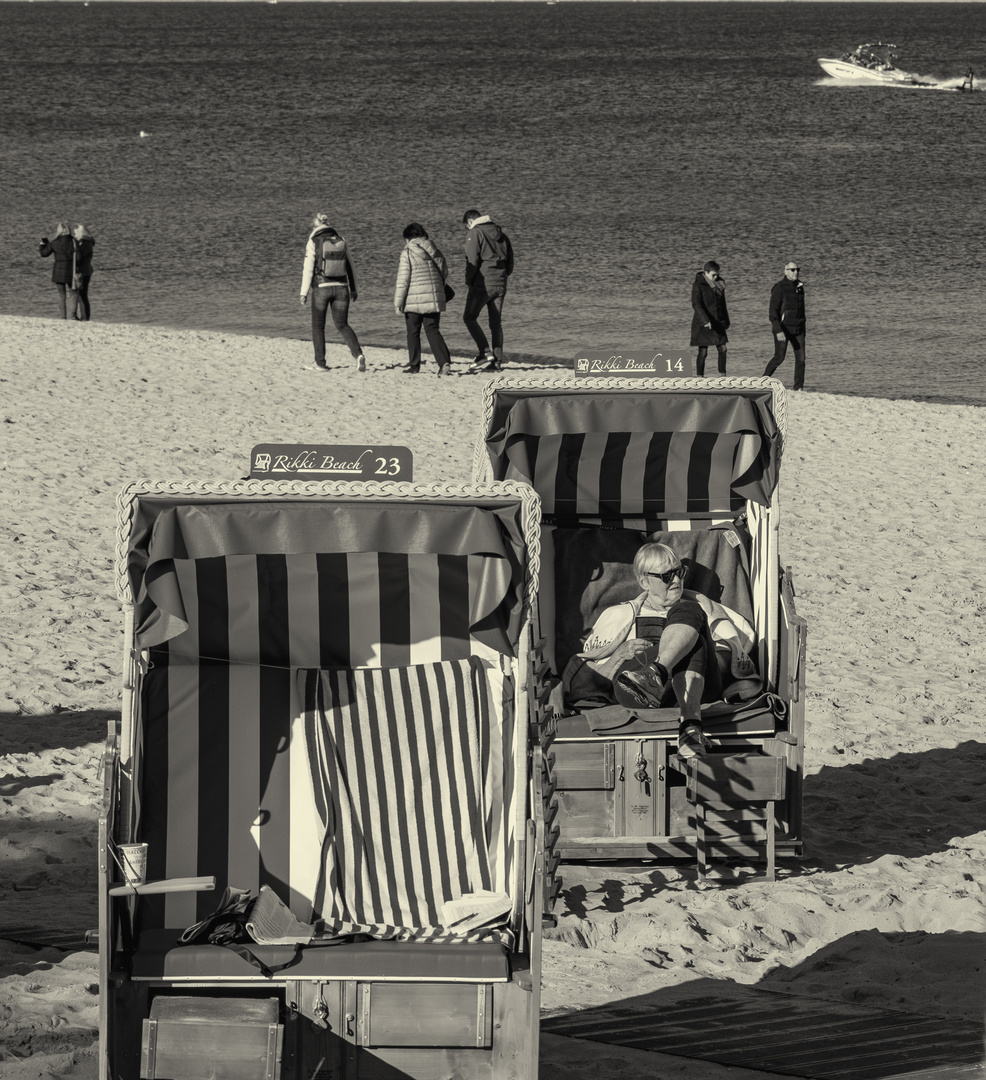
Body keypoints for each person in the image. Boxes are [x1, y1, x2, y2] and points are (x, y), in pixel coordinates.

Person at [562, 543, 756, 758]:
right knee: (692, 633)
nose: (676, 581)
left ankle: (657, 672)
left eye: (679, 572)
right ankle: (689, 728)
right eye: (666, 576)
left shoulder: (700, 607)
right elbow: (594, 679)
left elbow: (727, 661)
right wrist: (619, 655)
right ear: (644, 581)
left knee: (691, 621)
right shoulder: (618, 615)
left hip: (695, 688)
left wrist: (682, 649)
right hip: (634, 692)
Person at [299, 212, 367, 373]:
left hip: (321, 288)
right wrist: (354, 288)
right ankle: (358, 355)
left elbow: (308, 269)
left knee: (318, 326)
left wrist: (304, 293)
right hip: (342, 288)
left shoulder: (313, 241)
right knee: (342, 324)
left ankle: (321, 364)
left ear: (315, 226)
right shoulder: (341, 241)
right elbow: (351, 267)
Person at [394, 223, 454, 376]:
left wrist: (398, 302)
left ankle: (414, 366)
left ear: (408, 238)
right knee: (433, 330)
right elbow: (445, 273)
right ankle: (444, 362)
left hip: (413, 299)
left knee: (413, 332)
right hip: (434, 296)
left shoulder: (407, 252)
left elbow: (403, 280)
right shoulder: (435, 249)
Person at [461, 208, 514, 373]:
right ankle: (496, 362)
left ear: (470, 222)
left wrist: (469, 281)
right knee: (496, 323)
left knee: (469, 317)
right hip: (501, 282)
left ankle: (484, 352)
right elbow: (510, 263)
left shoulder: (475, 233)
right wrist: (503, 275)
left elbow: (472, 261)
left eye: (466, 226)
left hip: (483, 283)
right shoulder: (502, 235)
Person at [763, 261, 806, 390]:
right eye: (792, 270)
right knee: (779, 357)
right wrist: (778, 330)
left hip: (799, 329)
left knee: (801, 359)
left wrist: (803, 325)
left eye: (797, 269)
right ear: (786, 271)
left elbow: (801, 309)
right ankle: (763, 381)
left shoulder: (800, 286)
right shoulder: (779, 287)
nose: (796, 272)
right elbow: (772, 312)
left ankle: (798, 388)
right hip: (783, 329)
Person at [690, 261, 730, 377]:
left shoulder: (719, 285)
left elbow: (723, 305)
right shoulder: (698, 285)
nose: (716, 277)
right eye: (713, 275)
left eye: (717, 274)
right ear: (706, 273)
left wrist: (726, 321)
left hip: (718, 322)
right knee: (703, 352)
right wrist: (705, 320)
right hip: (703, 323)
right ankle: (700, 377)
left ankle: (723, 375)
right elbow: (696, 304)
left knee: (723, 349)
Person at [38, 223, 78, 320]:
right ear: (69, 230)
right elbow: (80, 257)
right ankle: (73, 316)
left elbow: (44, 254)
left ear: (59, 231)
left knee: (61, 294)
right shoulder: (73, 241)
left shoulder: (55, 242)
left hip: (58, 272)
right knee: (73, 293)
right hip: (71, 271)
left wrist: (42, 245)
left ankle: (63, 317)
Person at [72, 224, 95, 321]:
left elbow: (80, 258)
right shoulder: (87, 242)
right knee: (82, 294)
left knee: (83, 295)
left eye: (76, 232)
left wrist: (76, 246)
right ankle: (84, 316)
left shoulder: (85, 243)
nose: (75, 234)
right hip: (86, 270)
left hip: (84, 271)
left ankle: (85, 317)